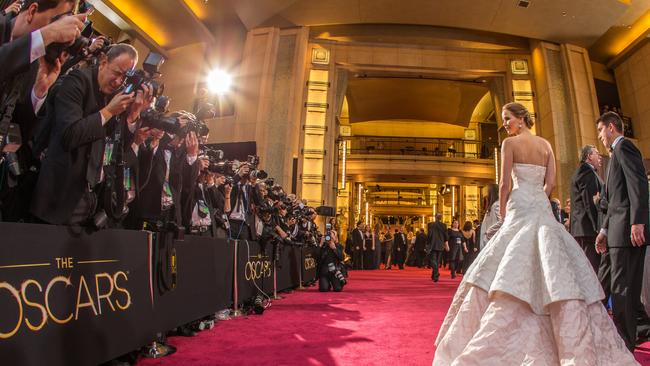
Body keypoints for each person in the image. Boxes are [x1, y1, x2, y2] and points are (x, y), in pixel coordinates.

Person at [434, 102, 636, 365]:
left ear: (521, 119)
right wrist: (538, 199)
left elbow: (504, 183)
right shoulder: (546, 146)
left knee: (506, 262)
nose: (504, 124)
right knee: (553, 262)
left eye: (507, 119)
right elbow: (550, 183)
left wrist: (504, 214)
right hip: (540, 207)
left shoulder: (509, 145)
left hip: (518, 206)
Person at [31, 44, 151, 225]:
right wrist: (109, 111)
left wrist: (133, 114)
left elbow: (120, 149)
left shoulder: (114, 96)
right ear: (103, 61)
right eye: (117, 73)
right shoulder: (77, 81)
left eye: (125, 77)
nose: (119, 82)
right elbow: (69, 135)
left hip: (92, 199)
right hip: (59, 196)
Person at [595, 111, 648, 351]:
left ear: (611, 128)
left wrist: (638, 221)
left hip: (628, 232)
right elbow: (616, 198)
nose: (600, 136)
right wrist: (605, 230)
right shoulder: (615, 155)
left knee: (623, 288)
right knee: (623, 288)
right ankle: (629, 335)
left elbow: (638, 184)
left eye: (600, 130)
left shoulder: (625, 148)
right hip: (617, 231)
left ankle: (625, 341)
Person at [569, 144, 603, 273]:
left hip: (582, 229)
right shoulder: (587, 172)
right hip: (588, 230)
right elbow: (589, 202)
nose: (600, 157)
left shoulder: (581, 171)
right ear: (589, 156)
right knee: (592, 270)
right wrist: (598, 228)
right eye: (597, 154)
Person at [427, 213, 448, 282]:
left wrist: (428, 243)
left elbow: (429, 235)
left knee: (433, 260)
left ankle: (435, 274)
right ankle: (435, 275)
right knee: (437, 261)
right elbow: (446, 236)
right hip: (440, 245)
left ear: (435, 217)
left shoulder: (430, 224)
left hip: (433, 245)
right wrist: (446, 244)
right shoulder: (444, 225)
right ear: (441, 218)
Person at [480, 183, 499, 248]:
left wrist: (489, 232)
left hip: (491, 241)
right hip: (489, 241)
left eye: (487, 192)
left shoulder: (496, 205)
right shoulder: (492, 206)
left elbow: (502, 221)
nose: (485, 195)